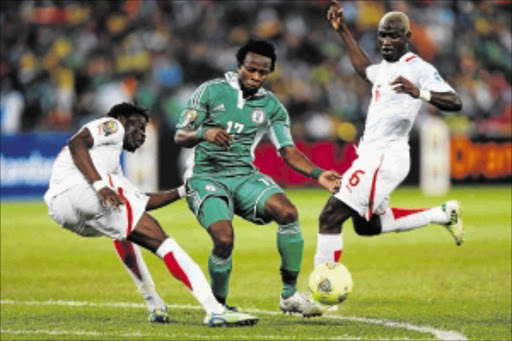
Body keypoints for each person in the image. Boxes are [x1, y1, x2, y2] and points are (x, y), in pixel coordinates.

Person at [43, 102, 258, 327]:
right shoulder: (113, 125)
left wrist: (184, 190)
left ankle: (154, 303)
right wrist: (99, 186)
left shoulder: (111, 167)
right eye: (140, 127)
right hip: (83, 190)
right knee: (165, 244)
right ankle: (215, 310)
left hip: (61, 210)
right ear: (125, 120)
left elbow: (143, 202)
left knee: (123, 232)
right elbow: (76, 142)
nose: (143, 134)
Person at [174, 39, 341, 317]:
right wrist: (205, 133)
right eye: (251, 69)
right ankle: (218, 305)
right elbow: (180, 135)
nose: (255, 76)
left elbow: (288, 151)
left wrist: (318, 173)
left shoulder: (272, 106)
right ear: (239, 66)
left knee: (288, 212)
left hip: (243, 175)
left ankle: (289, 296)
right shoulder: (211, 91)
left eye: (263, 72)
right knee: (224, 239)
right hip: (205, 175)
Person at [313, 1, 465, 268]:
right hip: (372, 156)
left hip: (385, 157)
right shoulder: (384, 68)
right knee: (367, 226)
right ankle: (442, 214)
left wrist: (420, 93)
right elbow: (364, 69)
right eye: (382, 34)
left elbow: (455, 101)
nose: (386, 40)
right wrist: (343, 30)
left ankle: (323, 290)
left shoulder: (418, 68)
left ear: (407, 37)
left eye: (393, 35)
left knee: (330, 216)